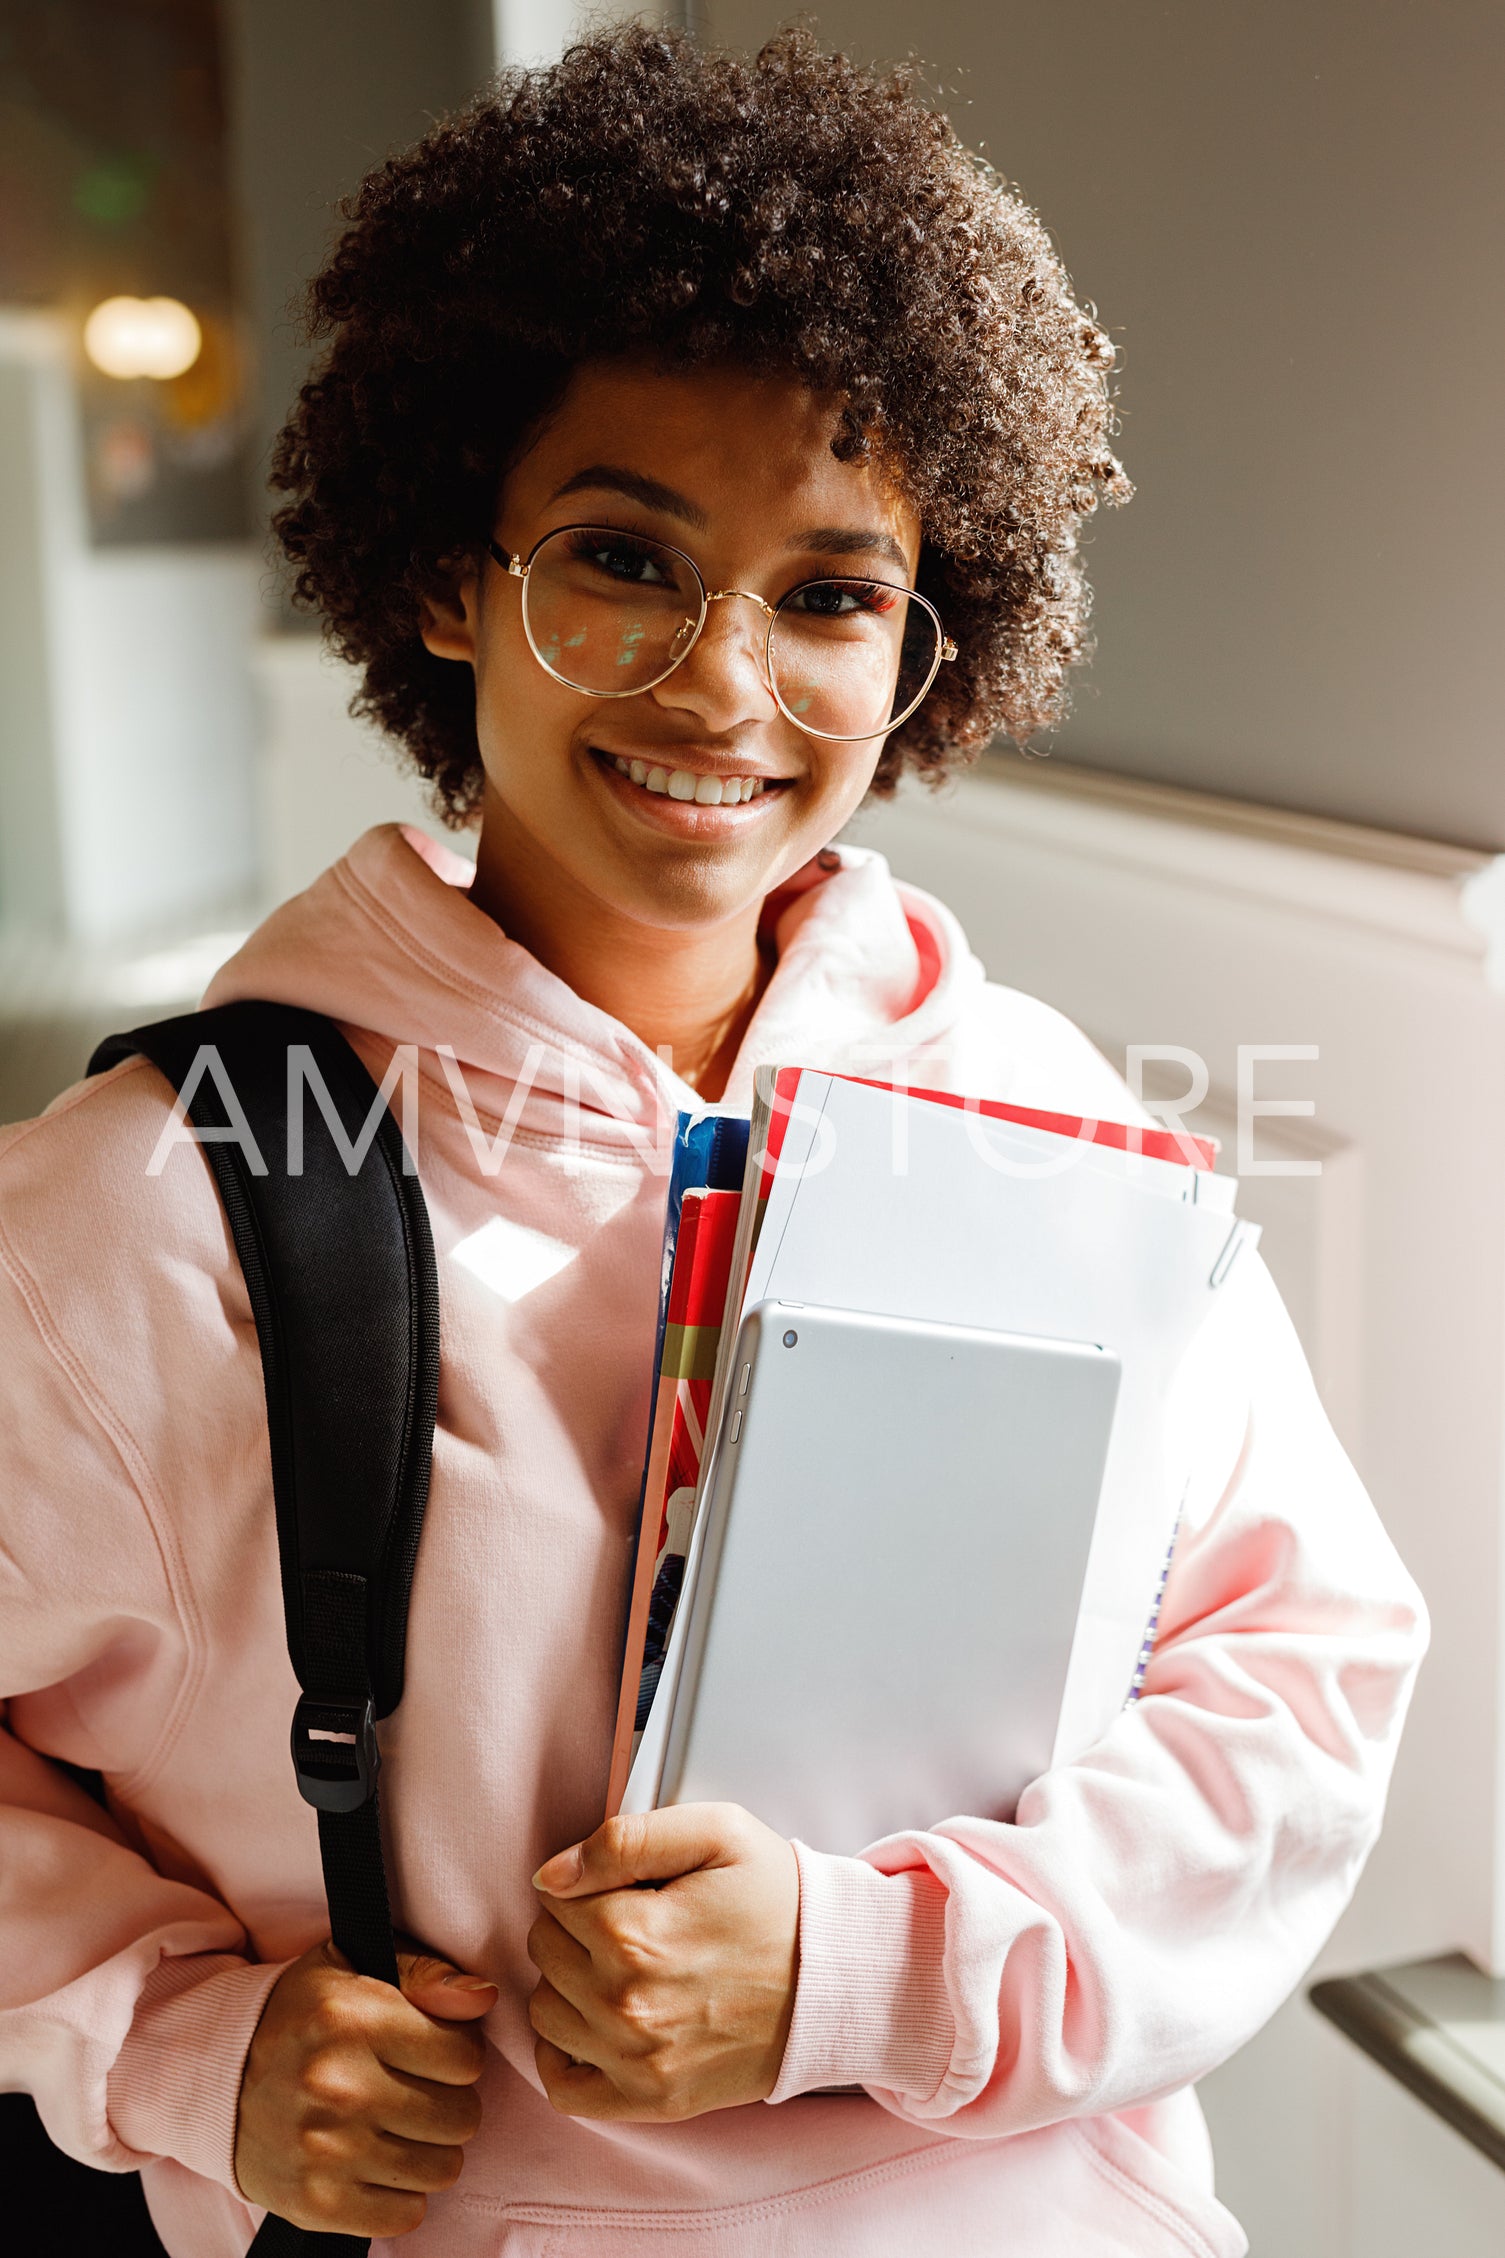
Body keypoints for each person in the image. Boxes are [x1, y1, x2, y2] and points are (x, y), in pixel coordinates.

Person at [0, 27, 1425, 2258]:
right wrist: (176, 2038)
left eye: (834, 592)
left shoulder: (1048, 1122)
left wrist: (870, 1971)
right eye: (622, 557)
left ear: (929, 647)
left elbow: (1298, 1685)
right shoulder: (157, 1202)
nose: (724, 686)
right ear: (447, 580)